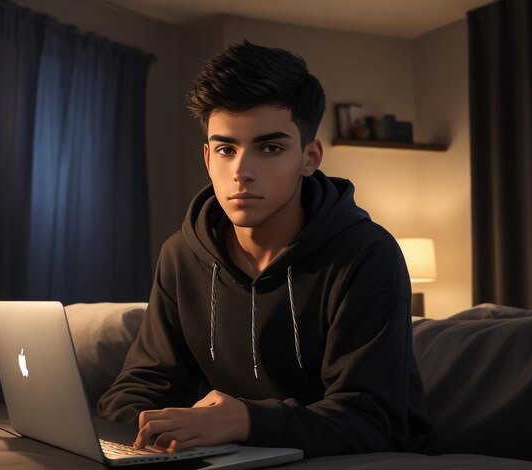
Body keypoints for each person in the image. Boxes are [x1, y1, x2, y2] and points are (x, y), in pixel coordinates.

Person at [97, 40, 434, 457]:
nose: (241, 172)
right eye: (226, 149)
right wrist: (161, 430)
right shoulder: (181, 256)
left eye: (270, 148)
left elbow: (374, 420)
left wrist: (246, 420)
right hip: (238, 457)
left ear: (309, 157)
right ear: (207, 157)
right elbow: (138, 388)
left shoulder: (367, 254)